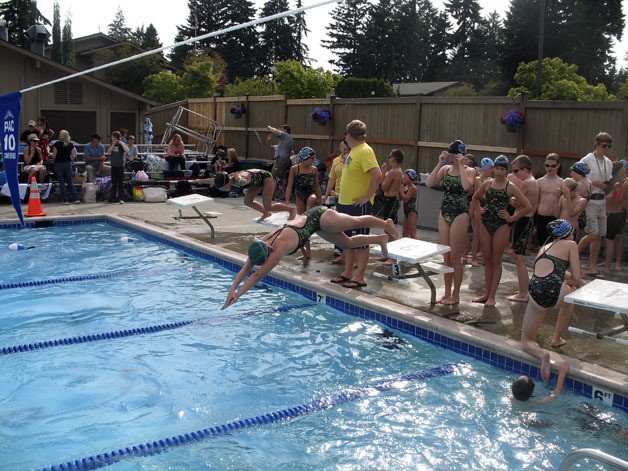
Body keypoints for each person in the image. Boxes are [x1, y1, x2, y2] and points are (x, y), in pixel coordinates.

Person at [222, 206, 399, 309]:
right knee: (347, 243)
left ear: (267, 253)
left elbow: (256, 275)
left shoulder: (278, 248)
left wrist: (238, 296)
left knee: (356, 221)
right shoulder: (260, 243)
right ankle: (380, 239)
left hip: (322, 217)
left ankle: (386, 224)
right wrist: (232, 290)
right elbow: (247, 268)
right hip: (316, 226)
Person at [472, 155, 531, 307]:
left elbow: (527, 206)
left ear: (506, 170)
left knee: (496, 261)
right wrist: (479, 209)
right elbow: (475, 198)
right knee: (487, 259)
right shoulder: (487, 183)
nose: (499, 171)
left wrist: (512, 218)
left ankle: (492, 296)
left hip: (501, 225)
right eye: (497, 168)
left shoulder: (510, 186)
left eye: (502, 169)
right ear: (494, 169)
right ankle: (486, 293)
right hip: (486, 223)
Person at [330, 120, 383, 290]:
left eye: (346, 134)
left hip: (358, 206)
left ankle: (359, 276)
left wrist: (367, 197)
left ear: (349, 135)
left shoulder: (365, 151)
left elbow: (377, 175)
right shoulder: (354, 151)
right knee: (347, 241)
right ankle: (347, 272)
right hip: (345, 204)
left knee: (360, 242)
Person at [425, 140, 476, 305]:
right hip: (444, 213)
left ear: (462, 155)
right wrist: (439, 162)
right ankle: (447, 293)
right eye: (451, 155)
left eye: (455, 155)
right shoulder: (445, 169)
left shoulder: (470, 171)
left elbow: (467, 187)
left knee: (455, 257)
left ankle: (456, 295)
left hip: (460, 214)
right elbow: (429, 183)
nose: (452, 158)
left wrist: (461, 165)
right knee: (446, 255)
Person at [521, 219, 583, 352]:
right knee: (572, 293)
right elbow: (576, 277)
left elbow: (554, 270)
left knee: (527, 341)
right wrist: (572, 283)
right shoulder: (571, 244)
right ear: (570, 233)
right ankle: (556, 338)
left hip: (534, 291)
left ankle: (542, 355)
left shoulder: (544, 247)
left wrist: (578, 281)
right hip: (555, 291)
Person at [577, 132, 614, 276]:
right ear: (597, 144)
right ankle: (573, 255)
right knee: (593, 233)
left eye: (609, 146)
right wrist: (593, 182)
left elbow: (608, 181)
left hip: (602, 200)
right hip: (590, 199)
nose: (607, 149)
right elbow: (577, 178)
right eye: (604, 146)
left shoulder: (608, 162)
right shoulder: (586, 159)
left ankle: (591, 265)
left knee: (599, 235)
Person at [506, 155, 539, 302]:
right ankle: (523, 288)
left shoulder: (526, 183)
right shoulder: (535, 182)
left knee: (519, 259)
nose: (515, 174)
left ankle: (523, 294)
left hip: (523, 220)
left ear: (525, 169)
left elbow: (523, 206)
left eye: (516, 170)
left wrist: (512, 217)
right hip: (528, 220)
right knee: (517, 255)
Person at [213, 169, 296, 221]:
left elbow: (245, 176)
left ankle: (292, 209)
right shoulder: (228, 178)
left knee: (268, 206)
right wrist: (199, 181)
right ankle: (266, 213)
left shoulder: (238, 178)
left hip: (266, 178)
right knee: (247, 201)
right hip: (256, 183)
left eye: (223, 188)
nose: (222, 190)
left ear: (227, 182)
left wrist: (242, 181)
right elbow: (210, 180)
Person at [285, 146, 323, 260]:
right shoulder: (294, 169)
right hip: (300, 195)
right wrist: (287, 200)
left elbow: (317, 186)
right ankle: (307, 252)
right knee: (303, 223)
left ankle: (311, 216)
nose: (313, 161)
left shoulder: (314, 169)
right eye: (312, 159)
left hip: (311, 194)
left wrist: (320, 200)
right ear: (304, 158)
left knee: (311, 200)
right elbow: (290, 185)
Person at [323, 141, 349, 264]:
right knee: (338, 223)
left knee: (348, 223)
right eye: (343, 149)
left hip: (348, 195)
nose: (345, 151)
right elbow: (332, 179)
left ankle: (347, 249)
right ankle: (339, 247)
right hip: (338, 195)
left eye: (347, 149)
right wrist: (327, 194)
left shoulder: (352, 160)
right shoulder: (336, 161)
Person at [602, 160, 628, 277]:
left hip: (616, 213)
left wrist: (616, 190)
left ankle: (609, 266)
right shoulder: (618, 181)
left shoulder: (625, 183)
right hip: (616, 213)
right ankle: (612, 264)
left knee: (612, 240)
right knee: (616, 238)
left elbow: (619, 199)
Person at [469, 157, 495, 267]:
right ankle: (473, 258)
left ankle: (485, 256)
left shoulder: (491, 180)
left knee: (487, 235)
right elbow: (482, 195)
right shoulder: (479, 179)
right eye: (491, 168)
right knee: (477, 236)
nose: (492, 170)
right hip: (479, 208)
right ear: (485, 168)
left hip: (487, 209)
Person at [535, 153, 563, 246]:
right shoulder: (539, 181)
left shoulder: (562, 183)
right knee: (542, 245)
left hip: (555, 218)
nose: (549, 168)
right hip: (541, 216)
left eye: (553, 166)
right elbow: (535, 201)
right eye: (547, 165)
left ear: (558, 166)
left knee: (553, 246)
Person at [51, 130, 81, 204]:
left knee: (61, 182)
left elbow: (54, 156)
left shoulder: (56, 144)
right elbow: (73, 156)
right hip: (68, 163)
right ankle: (76, 198)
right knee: (70, 181)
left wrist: (49, 154)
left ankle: (65, 200)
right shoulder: (71, 144)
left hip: (58, 164)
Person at [376, 149, 404, 222]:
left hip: (390, 200)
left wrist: (383, 172)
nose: (388, 158)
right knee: (392, 222)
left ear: (393, 159)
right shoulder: (399, 170)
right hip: (394, 199)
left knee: (388, 224)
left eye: (389, 157)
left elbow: (384, 187)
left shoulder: (393, 172)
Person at [107, 131, 128, 204]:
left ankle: (121, 198)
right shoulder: (112, 144)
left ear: (115, 137)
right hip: (113, 165)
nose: (111, 138)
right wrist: (113, 144)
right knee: (114, 182)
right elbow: (109, 152)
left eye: (112, 136)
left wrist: (121, 143)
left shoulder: (121, 144)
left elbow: (127, 150)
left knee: (120, 182)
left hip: (120, 165)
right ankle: (112, 198)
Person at [399, 169, 418, 239]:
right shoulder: (406, 187)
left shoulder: (413, 188)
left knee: (413, 234)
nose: (403, 177)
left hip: (411, 213)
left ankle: (418, 247)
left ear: (410, 177)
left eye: (405, 176)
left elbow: (406, 199)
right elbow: (401, 198)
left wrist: (401, 190)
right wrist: (400, 191)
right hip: (406, 212)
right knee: (404, 234)